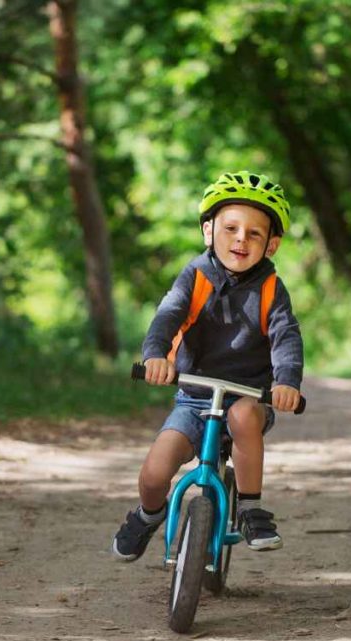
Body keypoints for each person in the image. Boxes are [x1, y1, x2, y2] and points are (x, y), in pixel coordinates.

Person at [111, 170, 304, 562]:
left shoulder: (271, 290)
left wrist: (287, 382)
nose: (240, 239)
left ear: (272, 245)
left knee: (246, 415)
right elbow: (169, 314)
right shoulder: (195, 275)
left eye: (254, 234)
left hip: (247, 395)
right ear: (207, 230)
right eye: (231, 228)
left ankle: (251, 509)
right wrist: (155, 356)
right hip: (194, 398)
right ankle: (150, 514)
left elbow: (286, 337)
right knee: (154, 472)